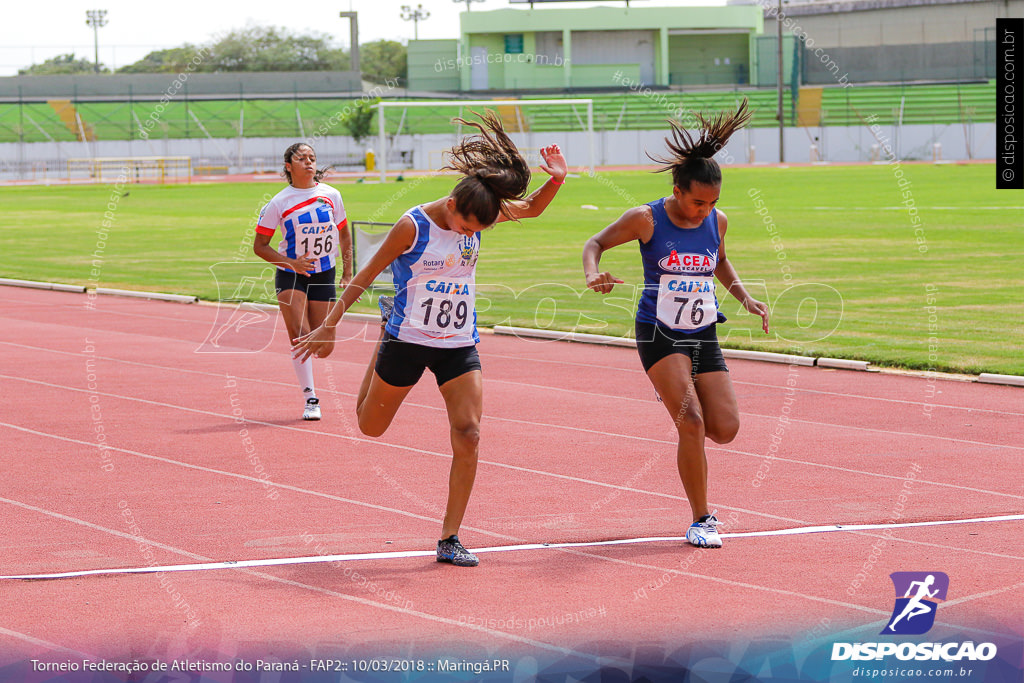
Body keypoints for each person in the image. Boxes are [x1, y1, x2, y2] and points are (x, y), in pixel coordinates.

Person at [293, 111, 567, 566]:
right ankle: (383, 337)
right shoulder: (413, 226)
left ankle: (450, 537)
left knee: (470, 433)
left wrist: (556, 180)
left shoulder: (480, 211)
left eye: (478, 233)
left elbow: (533, 208)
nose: (470, 236)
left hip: (459, 341)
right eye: (465, 229)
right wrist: (331, 322)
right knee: (370, 426)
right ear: (453, 206)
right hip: (407, 338)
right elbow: (366, 274)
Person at [581, 101, 769, 549]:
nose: (705, 210)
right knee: (692, 423)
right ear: (677, 190)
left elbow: (719, 262)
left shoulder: (717, 221)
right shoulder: (646, 218)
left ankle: (673, 383)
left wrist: (744, 297)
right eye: (697, 201)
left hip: (703, 331)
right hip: (659, 331)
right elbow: (595, 243)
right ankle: (702, 520)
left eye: (713, 203)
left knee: (724, 429)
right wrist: (593, 274)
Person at [253, 143, 353, 421]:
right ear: (289, 166)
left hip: (324, 273)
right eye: (302, 158)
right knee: (300, 336)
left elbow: (344, 235)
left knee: (322, 347)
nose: (309, 162)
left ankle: (326, 337)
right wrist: (292, 264)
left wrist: (347, 272)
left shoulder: (332, 195)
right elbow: (260, 246)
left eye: (312, 158)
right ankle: (311, 398)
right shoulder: (278, 202)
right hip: (291, 274)